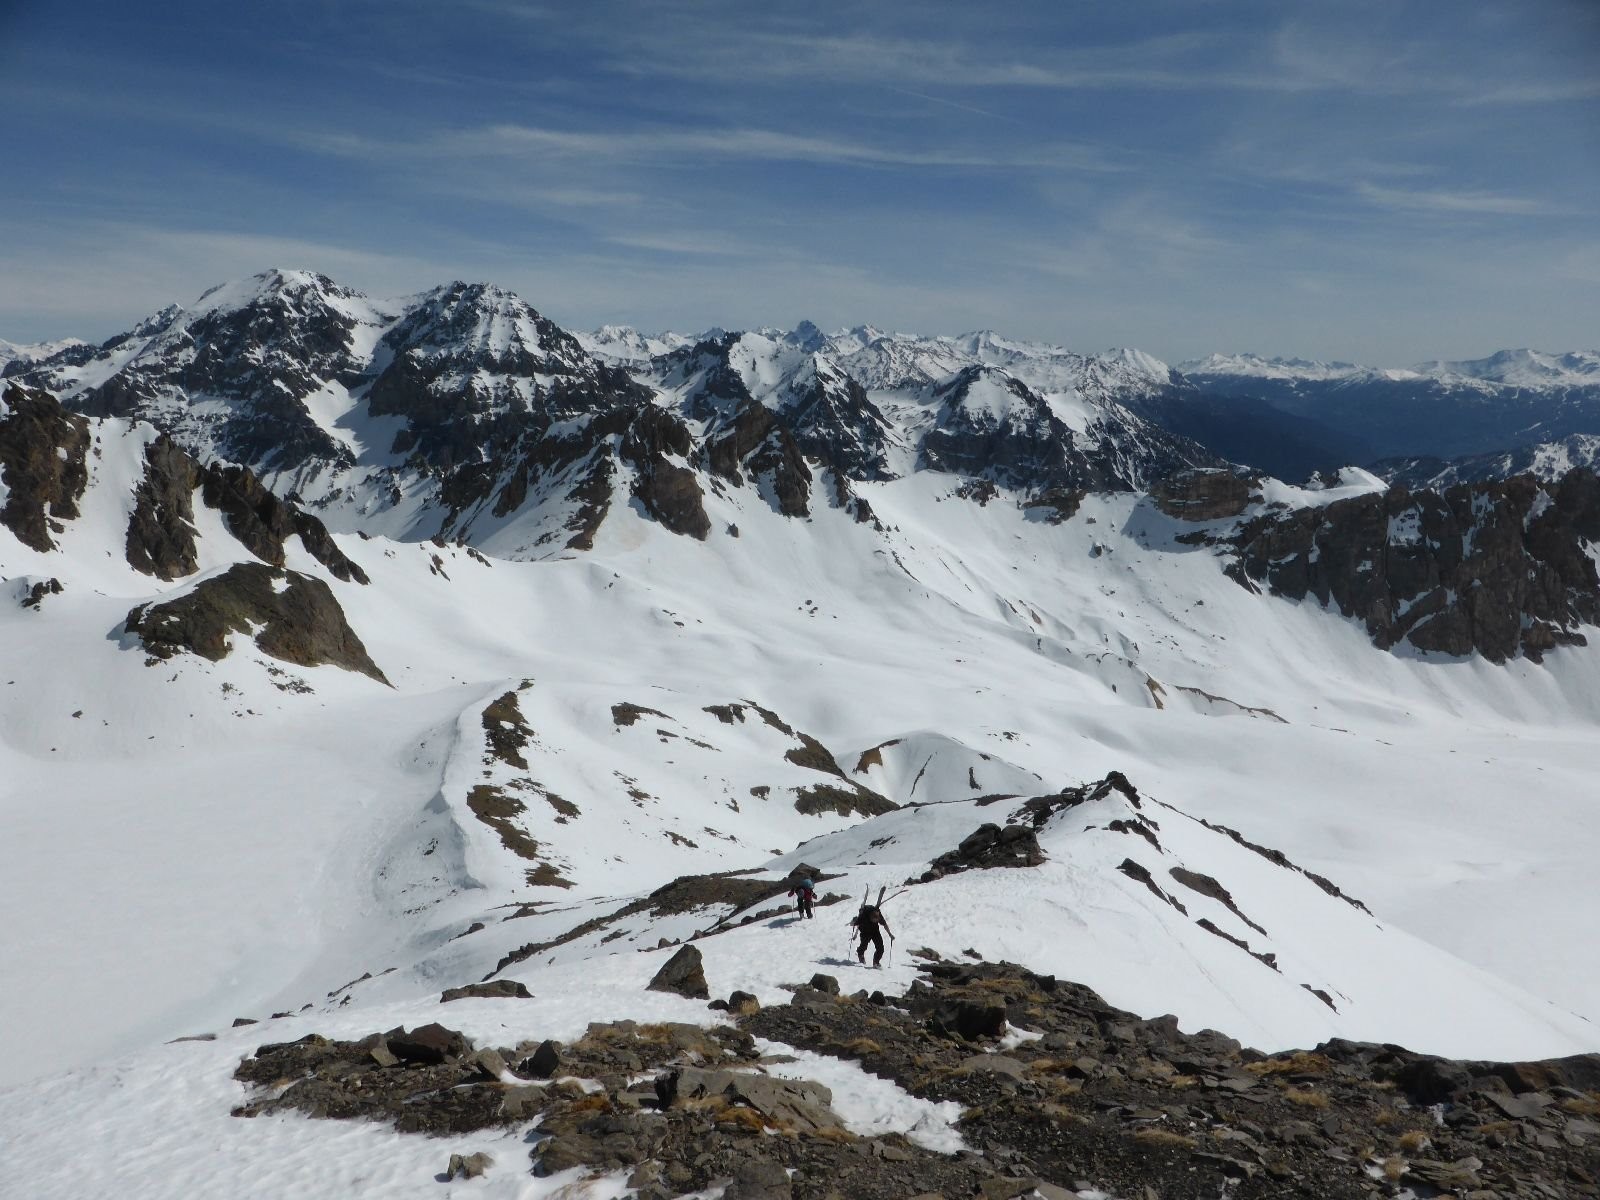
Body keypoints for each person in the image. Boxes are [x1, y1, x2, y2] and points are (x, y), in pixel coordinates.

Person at [850, 901, 892, 966]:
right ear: (871, 917)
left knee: (880, 948)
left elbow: (884, 924)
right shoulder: (863, 916)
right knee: (863, 946)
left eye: (877, 921)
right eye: (874, 920)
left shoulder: (879, 915)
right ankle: (860, 954)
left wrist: (890, 934)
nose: (875, 921)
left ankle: (876, 962)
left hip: (875, 931)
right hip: (865, 931)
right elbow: (853, 923)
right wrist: (854, 921)